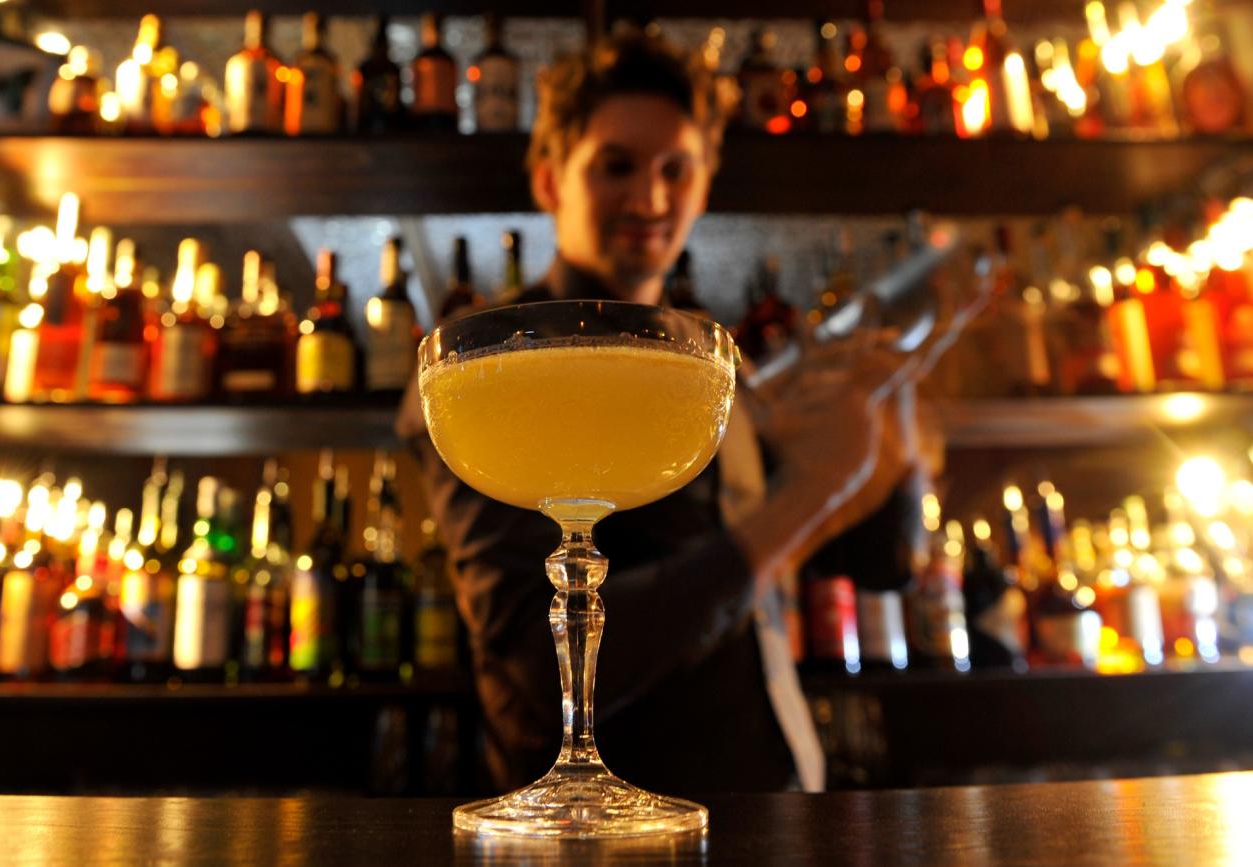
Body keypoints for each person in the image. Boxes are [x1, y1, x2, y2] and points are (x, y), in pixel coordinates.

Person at [396, 31, 928, 795]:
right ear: (549, 181)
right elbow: (525, 677)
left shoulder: (707, 368)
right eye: (616, 166)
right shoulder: (485, 371)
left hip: (763, 800)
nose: (650, 199)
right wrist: (804, 497)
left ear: (704, 185)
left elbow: (884, 565)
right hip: (592, 830)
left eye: (676, 170)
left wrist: (889, 402)